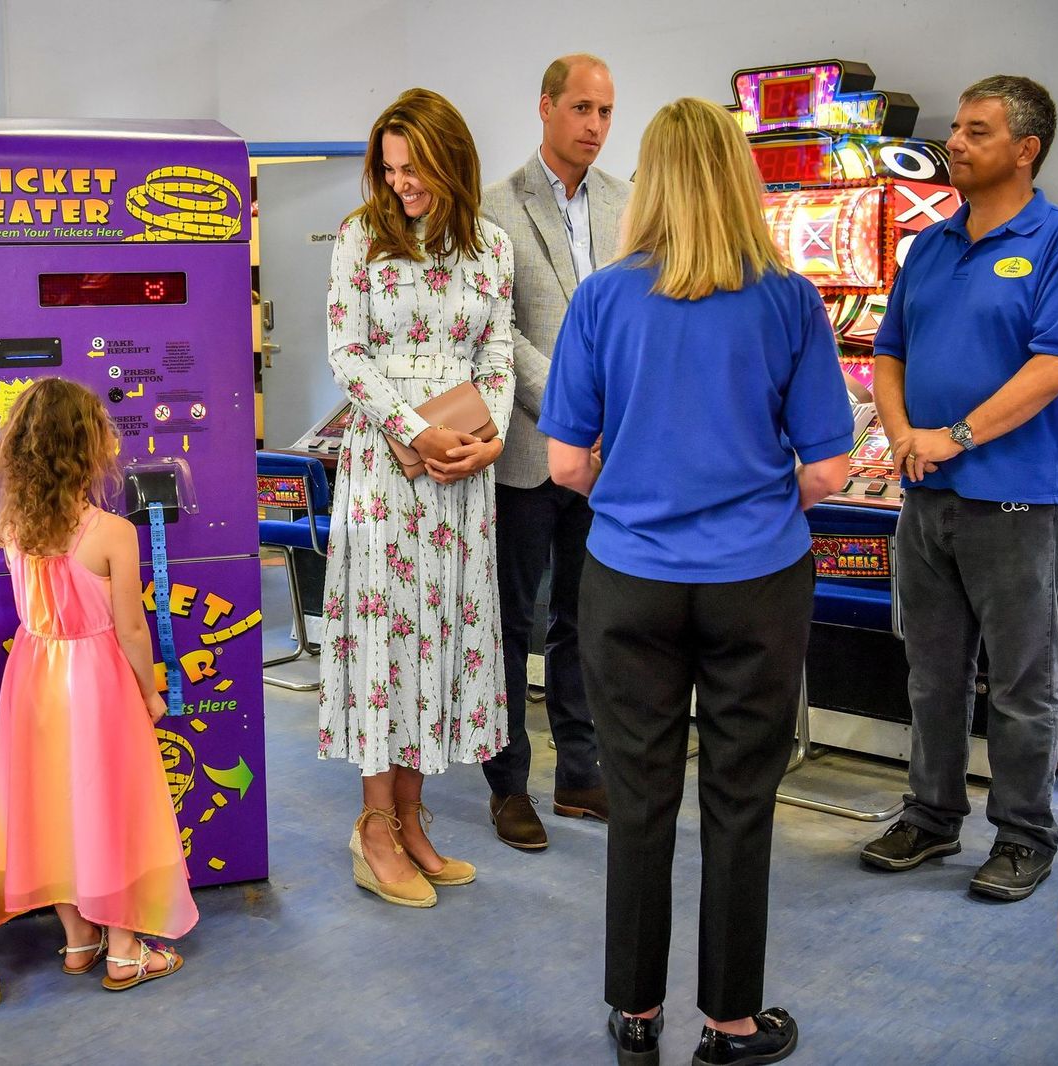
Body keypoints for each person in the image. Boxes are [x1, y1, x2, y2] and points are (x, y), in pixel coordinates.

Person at [540, 97, 850, 1066]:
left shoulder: (601, 299)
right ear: (737, 176)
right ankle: (728, 1023)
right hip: (755, 580)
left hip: (627, 579)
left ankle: (634, 1016)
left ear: (653, 178)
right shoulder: (789, 299)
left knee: (636, 797)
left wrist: (639, 486)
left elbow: (563, 463)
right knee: (738, 797)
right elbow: (830, 471)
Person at [858, 76, 1058, 902]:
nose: (954, 143)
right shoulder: (928, 246)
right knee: (931, 675)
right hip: (925, 499)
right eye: (956, 129)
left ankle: (1025, 834)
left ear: (1025, 149)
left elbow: (1056, 365)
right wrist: (900, 435)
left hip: (1016, 502)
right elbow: (888, 351)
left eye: (976, 131)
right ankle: (930, 816)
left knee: (1023, 680)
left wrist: (954, 435)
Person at [319, 88, 515, 909]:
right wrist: (412, 428)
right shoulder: (362, 239)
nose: (401, 183)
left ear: (450, 159)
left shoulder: (492, 248)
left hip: (462, 481)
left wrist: (490, 436)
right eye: (390, 168)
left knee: (436, 639)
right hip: (383, 474)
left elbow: (498, 350)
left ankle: (411, 818)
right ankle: (372, 828)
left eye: (415, 167)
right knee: (382, 641)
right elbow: (345, 350)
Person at [0, 378, 197, 989]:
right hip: (97, 680)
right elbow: (131, 629)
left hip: (33, 678)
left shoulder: (13, 526)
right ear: (89, 448)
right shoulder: (112, 532)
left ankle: (78, 942)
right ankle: (128, 951)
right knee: (115, 806)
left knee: (51, 805)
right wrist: (153, 692)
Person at [477, 53, 631, 851]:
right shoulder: (494, 209)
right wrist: (575, 413)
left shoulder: (629, 201)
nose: (595, 127)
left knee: (586, 620)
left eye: (605, 112)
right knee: (512, 622)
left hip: (609, 459)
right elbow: (496, 331)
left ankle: (580, 772)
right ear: (545, 108)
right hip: (530, 453)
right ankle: (508, 784)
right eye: (581, 109)